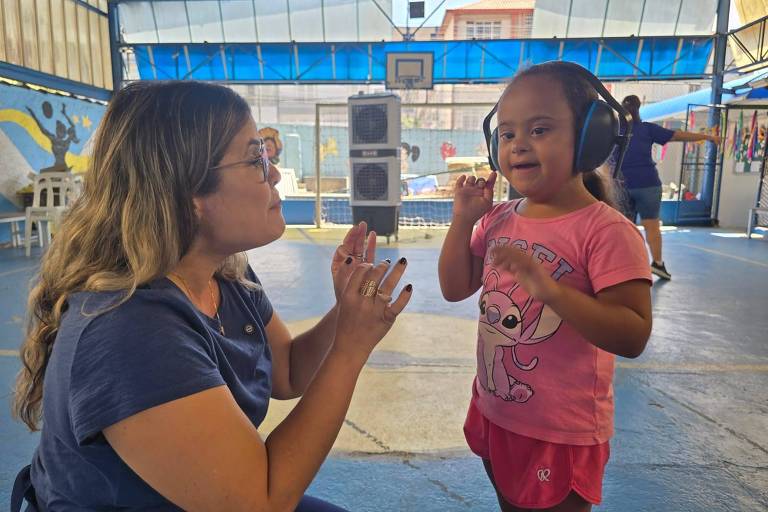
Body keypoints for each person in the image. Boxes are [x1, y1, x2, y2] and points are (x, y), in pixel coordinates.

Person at [11, 81, 412, 511]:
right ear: (189, 192)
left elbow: (289, 372)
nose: (274, 172)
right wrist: (349, 350)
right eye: (256, 158)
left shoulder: (225, 274)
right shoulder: (130, 329)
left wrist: (345, 311)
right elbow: (262, 502)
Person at [438, 62, 653, 512]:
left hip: (560, 431)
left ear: (591, 137)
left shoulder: (606, 232)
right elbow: (454, 286)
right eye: (507, 133)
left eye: (539, 129)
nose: (518, 145)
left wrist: (552, 291)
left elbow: (632, 334)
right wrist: (463, 222)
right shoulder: (499, 218)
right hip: (497, 411)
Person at [618, 94, 721, 280]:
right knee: (652, 226)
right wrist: (707, 136)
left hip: (621, 184)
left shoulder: (613, 131)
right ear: (638, 108)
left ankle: (623, 266)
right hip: (647, 184)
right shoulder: (647, 129)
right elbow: (679, 135)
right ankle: (657, 264)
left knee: (623, 228)